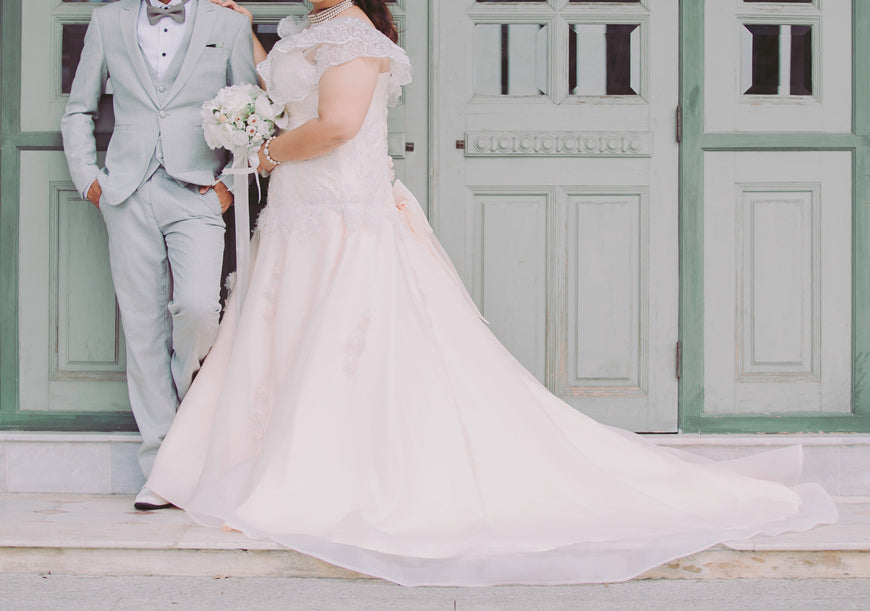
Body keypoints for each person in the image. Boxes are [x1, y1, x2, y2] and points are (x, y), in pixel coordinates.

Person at [146, 0, 838, 586]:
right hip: (300, 223)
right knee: (283, 345)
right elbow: (286, 86)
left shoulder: (355, 36)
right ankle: (261, 460)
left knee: (344, 356)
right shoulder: (309, 30)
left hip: (341, 227)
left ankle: (322, 472)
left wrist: (260, 153)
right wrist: (253, 51)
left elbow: (336, 126)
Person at [61, 0, 258, 510]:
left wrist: (229, 187)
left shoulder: (229, 25)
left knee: (196, 310)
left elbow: (253, 111)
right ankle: (162, 469)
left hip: (197, 192)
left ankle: (190, 436)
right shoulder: (108, 21)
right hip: (126, 192)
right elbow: (79, 108)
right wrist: (90, 181)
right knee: (142, 328)